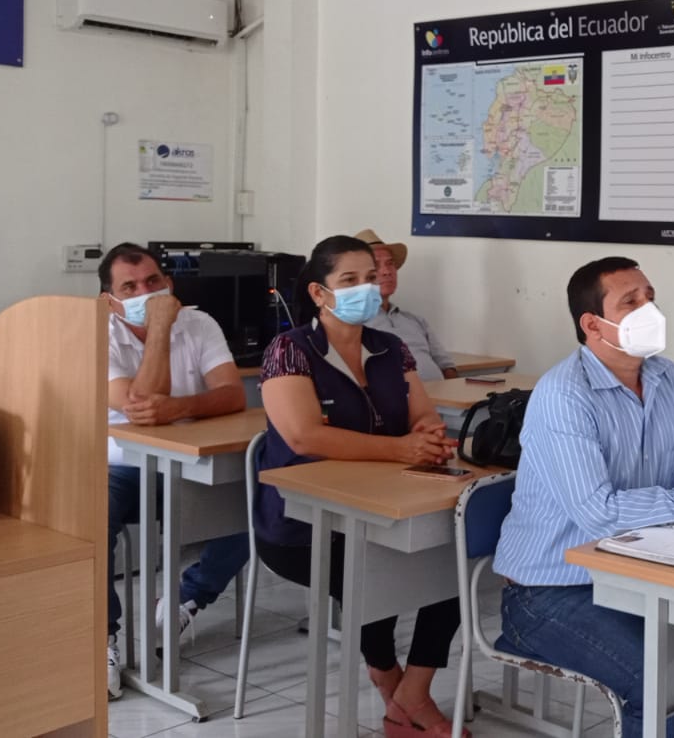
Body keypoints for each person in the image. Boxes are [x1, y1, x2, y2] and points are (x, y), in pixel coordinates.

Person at [495, 257, 674, 738]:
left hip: (642, 572)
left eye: (650, 297)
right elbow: (601, 515)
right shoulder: (564, 394)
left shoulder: (670, 378)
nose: (650, 309)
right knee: (663, 680)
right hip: (551, 590)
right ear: (592, 324)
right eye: (631, 301)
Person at [254, 235, 467, 737]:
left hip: (382, 507)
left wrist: (427, 437)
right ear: (319, 292)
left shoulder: (391, 348)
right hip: (301, 524)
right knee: (371, 570)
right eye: (349, 280)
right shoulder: (290, 350)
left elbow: (423, 415)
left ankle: (412, 693)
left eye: (370, 278)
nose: (366, 288)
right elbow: (304, 436)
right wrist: (401, 450)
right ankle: (388, 678)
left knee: (455, 563)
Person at [100, 243, 250, 700]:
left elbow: (233, 395)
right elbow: (140, 405)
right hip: (121, 465)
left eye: (153, 281)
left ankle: (187, 598)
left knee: (257, 500)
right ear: (111, 301)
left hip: (189, 463)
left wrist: (180, 408)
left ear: (169, 283)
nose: (145, 292)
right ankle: (103, 639)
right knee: (92, 515)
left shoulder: (200, 323)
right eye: (130, 287)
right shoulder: (99, 334)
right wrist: (161, 327)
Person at [355, 228, 460, 380]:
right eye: (376, 265)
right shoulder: (354, 325)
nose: (386, 271)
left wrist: (453, 390)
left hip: (441, 392)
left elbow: (446, 366)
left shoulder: (415, 320)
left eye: (390, 263)